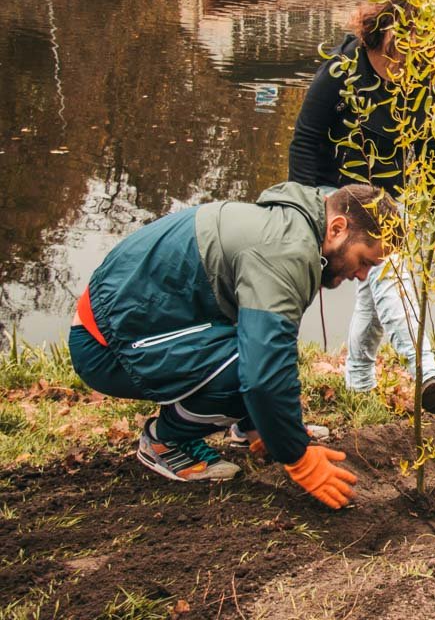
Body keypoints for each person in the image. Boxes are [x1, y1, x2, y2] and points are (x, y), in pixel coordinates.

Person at [69, 183, 396, 509]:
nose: (363, 275)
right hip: (108, 346)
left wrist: (267, 428)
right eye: (364, 260)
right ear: (338, 228)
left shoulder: (299, 220)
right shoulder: (286, 251)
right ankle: (163, 442)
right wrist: (297, 455)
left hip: (143, 318)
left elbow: (269, 345)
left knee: (269, 349)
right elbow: (261, 375)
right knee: (251, 365)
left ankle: (247, 427)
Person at [288, 0, 435, 412]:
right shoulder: (340, 72)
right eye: (396, 55)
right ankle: (424, 369)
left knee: (376, 288)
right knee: (387, 274)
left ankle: (359, 380)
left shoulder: (424, 78)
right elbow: (306, 139)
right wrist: (303, 209)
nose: (404, 66)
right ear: (374, 38)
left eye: (416, 55)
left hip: (387, 197)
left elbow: (431, 148)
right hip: (339, 198)